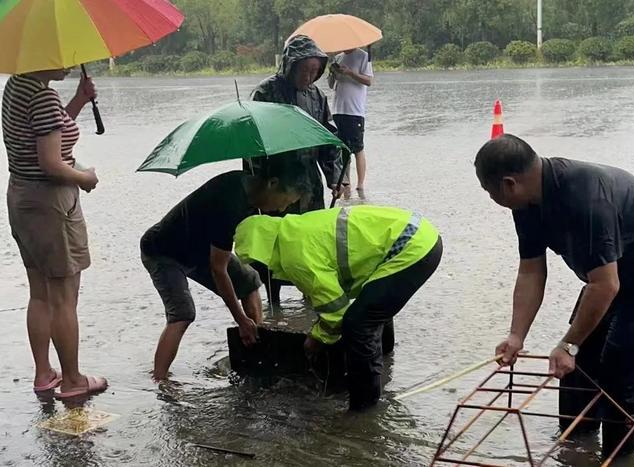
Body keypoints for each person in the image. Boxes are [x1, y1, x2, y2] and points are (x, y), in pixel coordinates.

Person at [474, 134, 634, 456]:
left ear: (509, 183)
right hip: (609, 274)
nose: (491, 199)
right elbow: (531, 272)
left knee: (622, 377)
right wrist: (516, 335)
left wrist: (568, 343)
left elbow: (606, 286)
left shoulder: (584, 198)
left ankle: (618, 458)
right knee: (579, 366)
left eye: (489, 192)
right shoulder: (525, 203)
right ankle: (575, 449)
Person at [234, 205, 442, 410]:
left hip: (410, 248)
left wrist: (316, 339)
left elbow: (336, 313)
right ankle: (384, 362)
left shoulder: (295, 258)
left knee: (358, 323)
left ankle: (364, 408)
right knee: (371, 306)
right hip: (418, 234)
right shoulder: (294, 230)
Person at [140, 158, 310, 380]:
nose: (282, 208)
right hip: (163, 251)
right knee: (183, 313)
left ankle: (256, 344)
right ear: (272, 183)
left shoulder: (248, 190)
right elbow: (218, 270)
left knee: (249, 281)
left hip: (200, 248)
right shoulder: (229, 202)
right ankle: (160, 381)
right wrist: (240, 319)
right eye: (285, 201)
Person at [2, 69, 107, 398]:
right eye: (62, 57)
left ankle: (45, 373)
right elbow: (50, 161)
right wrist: (83, 177)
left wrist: (77, 100)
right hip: (50, 203)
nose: (68, 63)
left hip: (22, 198)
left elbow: (49, 134)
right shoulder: (43, 96)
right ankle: (74, 381)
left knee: (40, 293)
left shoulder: (17, 86)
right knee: (64, 296)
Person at [244, 34, 342, 304]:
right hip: (276, 184)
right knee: (275, 243)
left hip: (309, 183)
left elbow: (328, 139)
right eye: (305, 70)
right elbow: (251, 144)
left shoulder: (317, 96)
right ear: (290, 65)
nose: (309, 77)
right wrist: (256, 188)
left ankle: (311, 297)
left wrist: (335, 177)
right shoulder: (266, 92)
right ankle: (273, 302)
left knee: (312, 242)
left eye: (315, 71)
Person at [328, 48, 373, 198]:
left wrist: (350, 73)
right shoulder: (338, 57)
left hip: (354, 111)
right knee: (342, 148)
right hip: (338, 109)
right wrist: (332, 73)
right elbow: (330, 85)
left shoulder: (363, 56)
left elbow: (368, 80)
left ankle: (360, 185)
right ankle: (346, 182)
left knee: (357, 148)